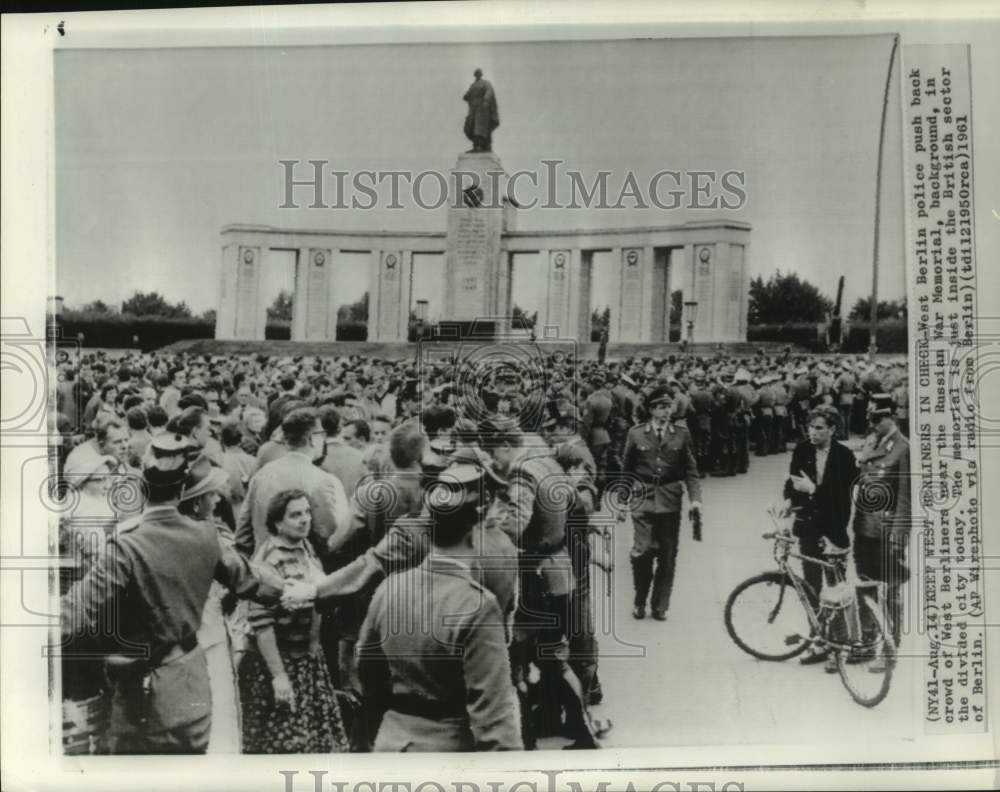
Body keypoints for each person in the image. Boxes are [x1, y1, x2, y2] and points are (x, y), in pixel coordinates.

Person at [60, 433, 305, 754]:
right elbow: (255, 583)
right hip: (191, 690)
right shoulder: (205, 537)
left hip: (140, 695)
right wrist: (295, 589)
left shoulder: (126, 545)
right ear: (180, 491)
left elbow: (75, 613)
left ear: (143, 490)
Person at [356, 464, 522, 751]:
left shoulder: (389, 588)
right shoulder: (477, 605)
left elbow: (368, 672)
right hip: (450, 753)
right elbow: (494, 722)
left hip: (391, 745)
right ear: (476, 529)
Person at [239, 490, 349, 753]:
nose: (304, 520)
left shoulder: (305, 547)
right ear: (277, 523)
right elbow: (260, 622)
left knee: (314, 740)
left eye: (307, 512)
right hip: (283, 665)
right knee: (285, 743)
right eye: (295, 515)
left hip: (309, 662)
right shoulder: (269, 559)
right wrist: (279, 676)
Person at [177, 457, 246, 753]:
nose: (218, 500)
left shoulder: (176, 534)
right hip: (209, 640)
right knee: (218, 720)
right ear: (196, 502)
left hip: (190, 643)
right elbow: (244, 581)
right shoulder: (209, 540)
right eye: (212, 495)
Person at [782, 405, 859, 667]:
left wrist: (813, 489)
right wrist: (788, 501)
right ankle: (819, 641)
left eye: (819, 428)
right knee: (812, 586)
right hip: (808, 527)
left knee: (836, 589)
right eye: (810, 427)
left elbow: (840, 499)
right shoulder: (803, 450)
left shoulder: (844, 457)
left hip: (833, 529)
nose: (812, 433)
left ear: (832, 430)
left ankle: (840, 646)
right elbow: (792, 482)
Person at [622, 386, 702, 621]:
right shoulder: (636, 434)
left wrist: (695, 500)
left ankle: (660, 605)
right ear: (651, 410)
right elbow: (627, 470)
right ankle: (639, 600)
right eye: (662, 407)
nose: (667, 411)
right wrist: (621, 501)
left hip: (670, 499)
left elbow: (691, 471)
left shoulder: (681, 433)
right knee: (642, 552)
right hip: (643, 499)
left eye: (669, 406)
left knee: (667, 556)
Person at [235, 408, 349, 559]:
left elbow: (243, 533)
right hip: (304, 572)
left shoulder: (261, 475)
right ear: (312, 439)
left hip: (263, 566)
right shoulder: (324, 480)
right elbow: (333, 537)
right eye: (322, 435)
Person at [852, 394, 911, 653]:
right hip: (864, 528)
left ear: (892, 417)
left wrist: (899, 536)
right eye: (871, 418)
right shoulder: (871, 442)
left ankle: (890, 648)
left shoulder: (902, 448)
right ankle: (867, 642)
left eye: (878, 418)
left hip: (887, 532)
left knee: (890, 592)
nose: (873, 424)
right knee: (865, 586)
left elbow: (906, 498)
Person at [462, 68, 500, 153]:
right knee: (470, 126)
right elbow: (467, 95)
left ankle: (480, 146)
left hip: (482, 109)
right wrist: (466, 96)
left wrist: (486, 100)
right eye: (476, 73)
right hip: (473, 109)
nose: (477, 75)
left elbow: (489, 91)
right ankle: (477, 146)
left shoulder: (485, 83)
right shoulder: (473, 85)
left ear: (481, 74)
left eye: (479, 73)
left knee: (480, 128)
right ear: (475, 75)